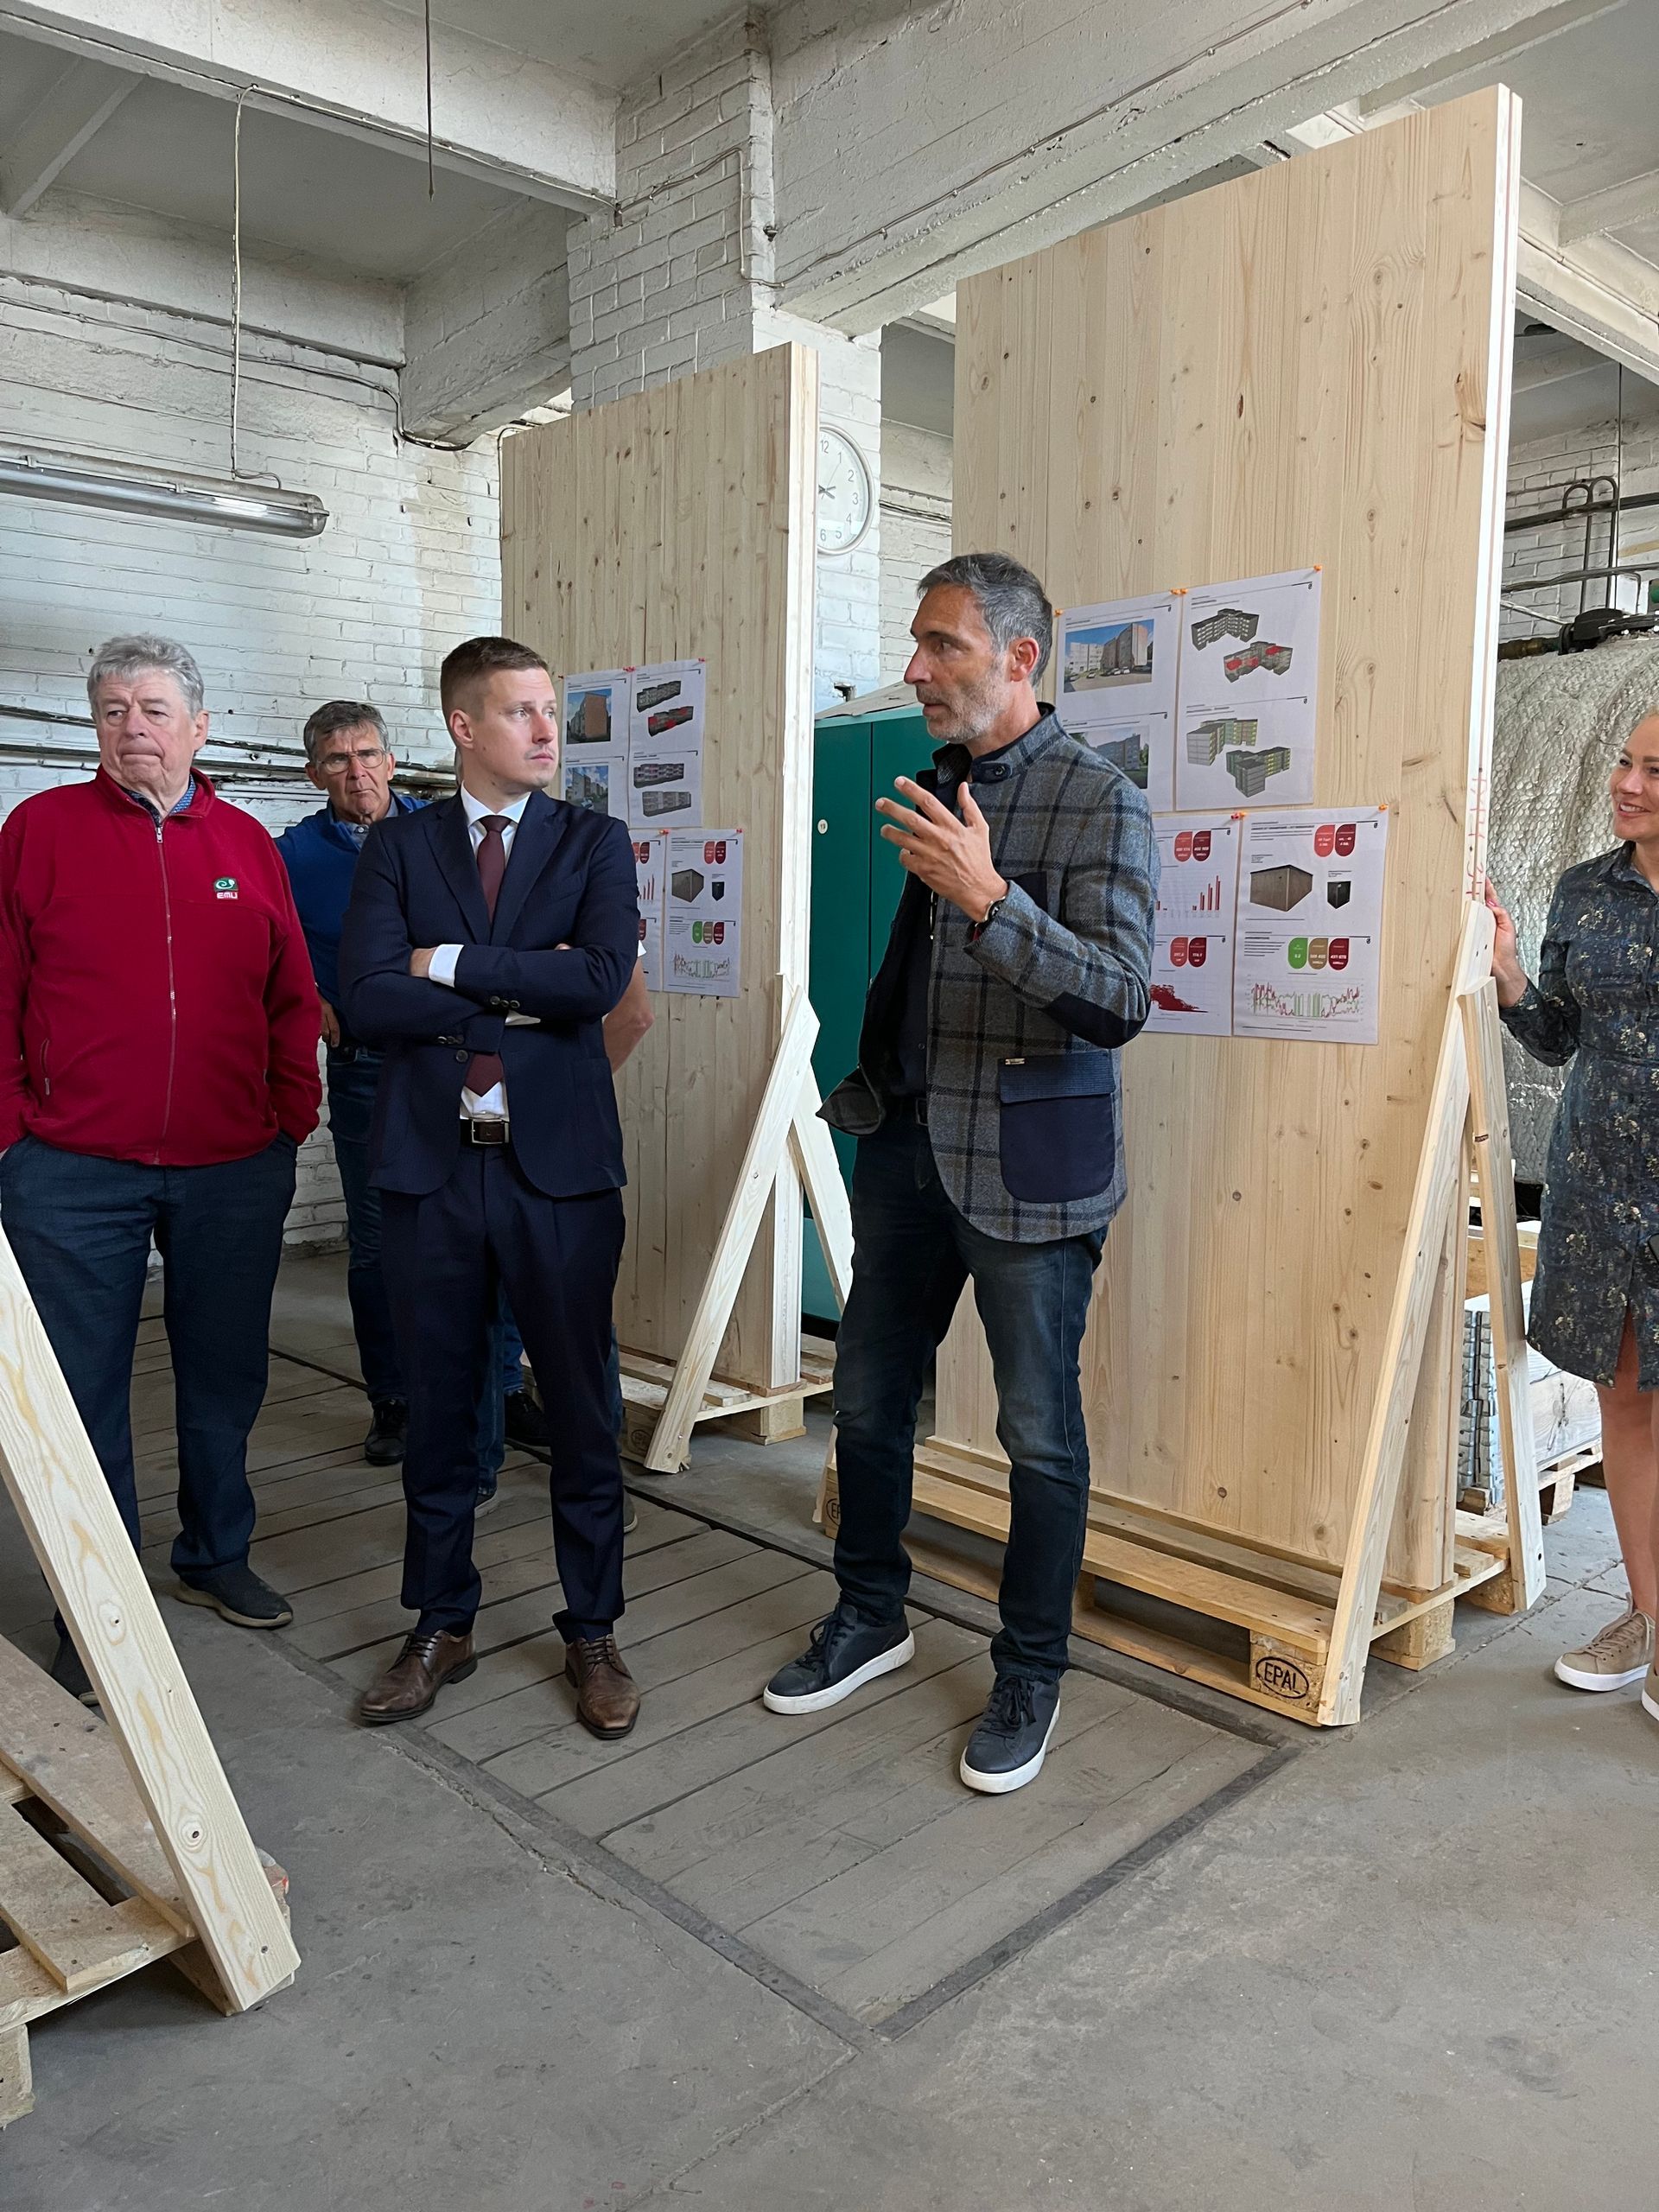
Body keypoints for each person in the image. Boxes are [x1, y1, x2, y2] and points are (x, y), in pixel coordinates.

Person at [762, 553, 1157, 1796]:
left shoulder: (1101, 800)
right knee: (868, 1401)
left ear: (1020, 658)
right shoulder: (940, 782)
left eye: (943, 646)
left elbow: (1121, 999)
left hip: (1033, 1170)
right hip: (906, 1149)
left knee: (1039, 1435)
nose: (916, 669)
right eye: (918, 643)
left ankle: (1030, 1669)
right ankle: (870, 1611)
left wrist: (992, 901)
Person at [0, 634, 321, 1701]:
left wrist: (289, 1115)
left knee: (224, 1370)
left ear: (199, 726)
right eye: (111, 710)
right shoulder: (38, 831)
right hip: (70, 1170)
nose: (131, 726)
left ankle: (215, 1552)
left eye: (152, 709)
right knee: (80, 1389)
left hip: (232, 1162)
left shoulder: (248, 844)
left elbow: (291, 994)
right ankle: (95, 1610)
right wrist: (11, 1132)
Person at [340, 635, 639, 1734]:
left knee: (581, 1406)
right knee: (440, 1404)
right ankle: (441, 1621)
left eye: (550, 709)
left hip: (557, 1172)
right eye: (522, 711)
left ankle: (593, 1626)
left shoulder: (593, 840)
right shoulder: (398, 846)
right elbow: (367, 998)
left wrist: (449, 963)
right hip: (431, 1168)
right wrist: (525, 989)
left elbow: (598, 980)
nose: (549, 730)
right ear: (465, 727)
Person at [1489, 704, 1659, 1719]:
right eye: (1626, 763)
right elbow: (1556, 1037)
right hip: (1601, 1194)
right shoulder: (1585, 892)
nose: (1627, 785)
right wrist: (1512, 973)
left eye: (1655, 770)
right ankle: (1650, 1617)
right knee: (1625, 1406)